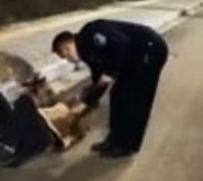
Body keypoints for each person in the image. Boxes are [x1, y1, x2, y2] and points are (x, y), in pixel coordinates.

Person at [52, 19, 169, 158]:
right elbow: (98, 81)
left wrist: (109, 73)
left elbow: (121, 43)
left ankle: (126, 146)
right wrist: (84, 100)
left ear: (67, 46)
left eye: (65, 55)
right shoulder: (88, 53)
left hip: (149, 49)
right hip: (133, 59)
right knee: (117, 96)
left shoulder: (90, 33)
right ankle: (114, 141)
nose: (68, 60)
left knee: (134, 100)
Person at [0, 87, 87, 167]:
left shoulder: (75, 120)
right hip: (20, 128)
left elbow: (68, 140)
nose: (75, 100)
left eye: (78, 100)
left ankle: (8, 151)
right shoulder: (56, 104)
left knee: (24, 100)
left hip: (37, 138)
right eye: (75, 98)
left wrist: (71, 123)